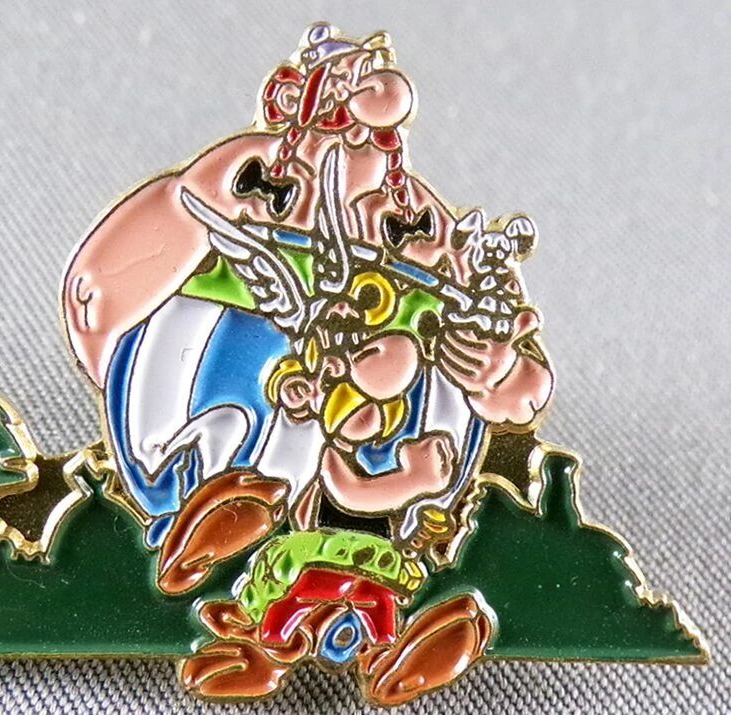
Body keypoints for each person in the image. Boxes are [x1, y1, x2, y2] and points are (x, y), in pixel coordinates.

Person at [60, 23, 554, 705]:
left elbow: (520, 390)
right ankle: (230, 572)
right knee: (262, 494)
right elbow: (97, 296)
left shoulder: (422, 228)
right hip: (239, 450)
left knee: (355, 546)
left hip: (376, 502)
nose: (360, 146)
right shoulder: (234, 184)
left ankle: (389, 640)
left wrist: (492, 377)